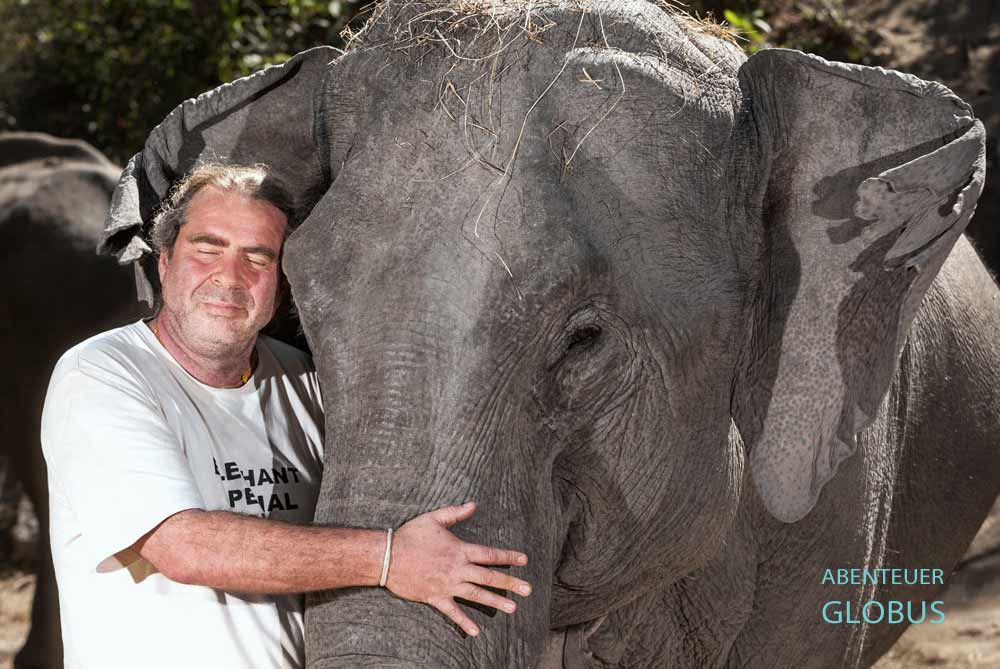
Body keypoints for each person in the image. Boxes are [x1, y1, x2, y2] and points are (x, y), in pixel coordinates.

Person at [40, 163, 531, 668]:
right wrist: (391, 559)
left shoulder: (305, 382)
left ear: (280, 282)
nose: (229, 278)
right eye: (207, 248)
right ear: (164, 261)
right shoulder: (102, 374)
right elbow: (182, 547)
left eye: (258, 257)